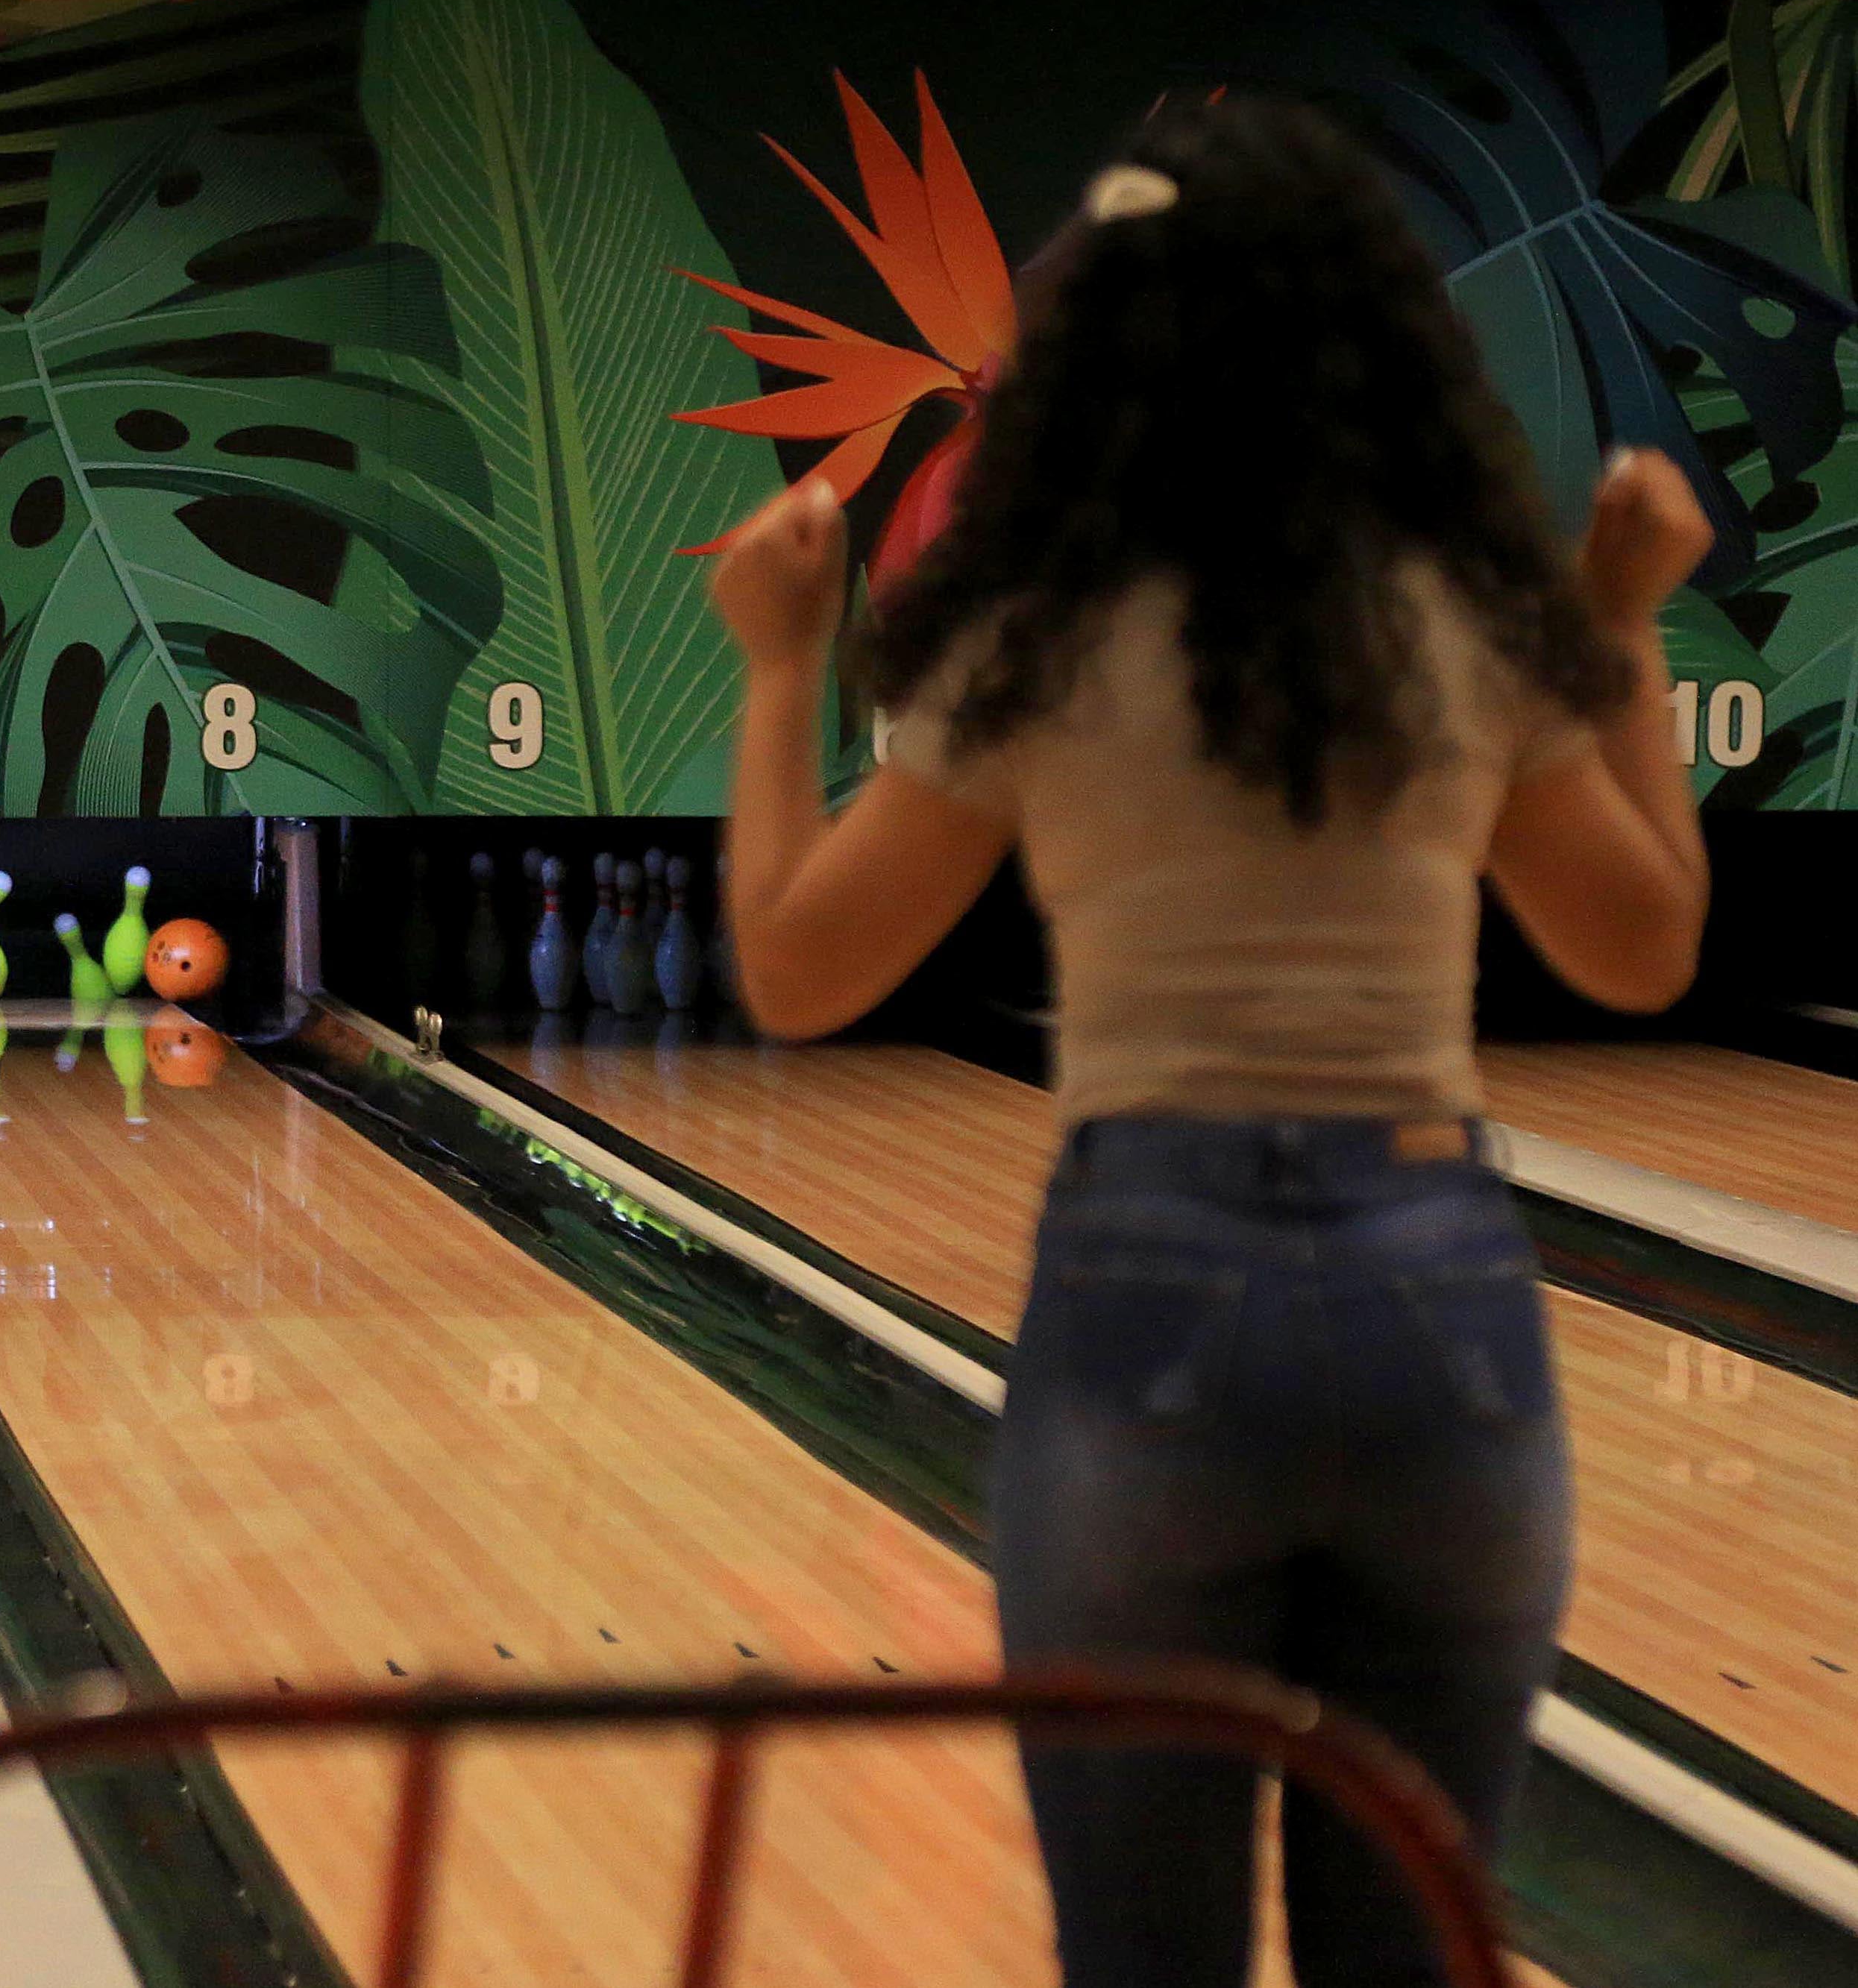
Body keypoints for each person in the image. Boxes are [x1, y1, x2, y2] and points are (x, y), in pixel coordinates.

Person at [706, 97, 1710, 1987]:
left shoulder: (1035, 633)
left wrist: (777, 669)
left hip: (1148, 1287)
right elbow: (1641, 944)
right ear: (1369, 339)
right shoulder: (1457, 624)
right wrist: (1621, 630)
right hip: (1439, 1301)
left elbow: (795, 971)